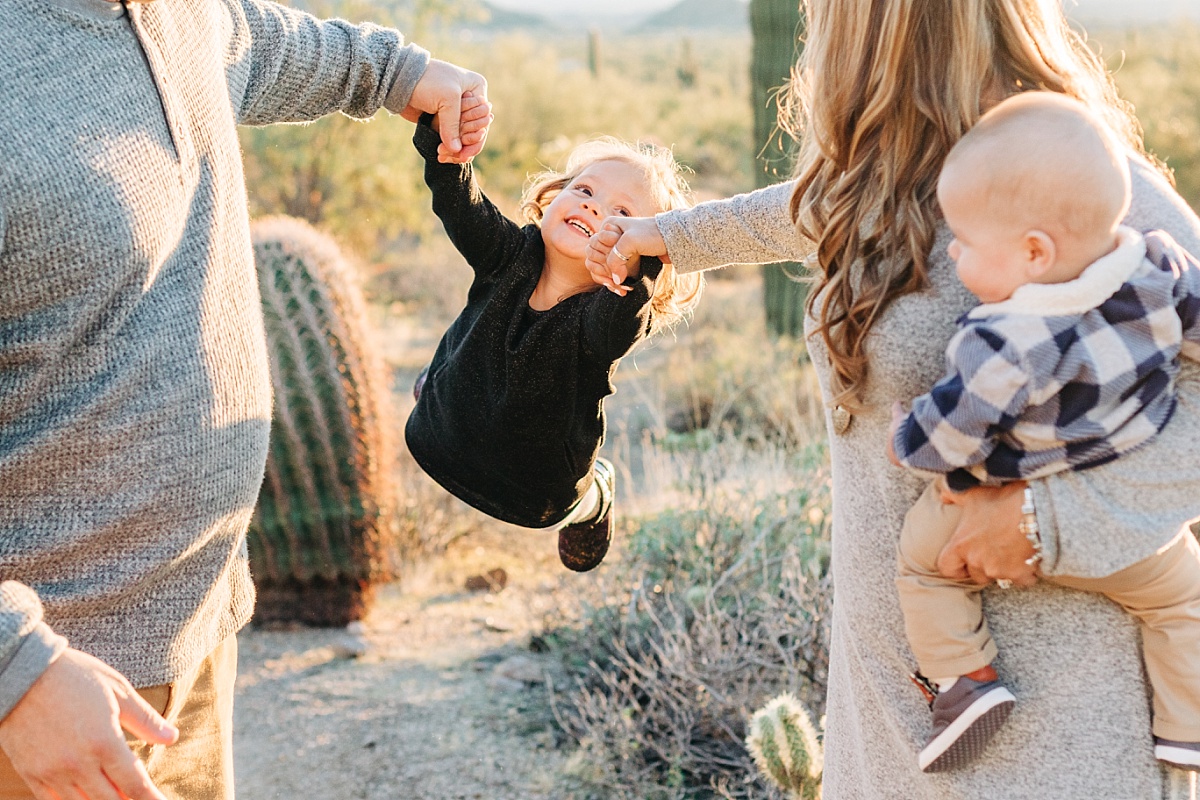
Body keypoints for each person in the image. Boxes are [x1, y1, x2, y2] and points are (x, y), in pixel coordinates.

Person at [584, 0, 1200, 796]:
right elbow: (792, 213)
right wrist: (664, 235)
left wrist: (1048, 523)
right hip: (892, 705)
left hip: (1056, 726)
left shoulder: (1060, 171)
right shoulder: (873, 174)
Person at [0, 0, 491, 796]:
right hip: (44, 702)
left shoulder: (179, 15)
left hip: (194, 639)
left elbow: (256, 40)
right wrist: (15, 670)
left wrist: (400, 75)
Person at [882, 92, 1200, 773]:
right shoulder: (1161, 269)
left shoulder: (1004, 339)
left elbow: (954, 437)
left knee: (921, 567)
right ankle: (1187, 726)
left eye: (964, 242)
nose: (956, 253)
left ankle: (965, 682)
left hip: (999, 513)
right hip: (1126, 528)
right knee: (1185, 600)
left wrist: (904, 436)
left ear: (1033, 251)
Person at [405, 112, 702, 572]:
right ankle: (438, 382)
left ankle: (598, 495)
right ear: (552, 197)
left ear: (643, 248)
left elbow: (621, 322)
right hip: (436, 435)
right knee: (471, 341)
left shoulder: (609, 314)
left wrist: (636, 269)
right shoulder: (507, 253)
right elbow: (459, 204)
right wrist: (441, 139)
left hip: (536, 492)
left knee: (576, 497)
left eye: (623, 214)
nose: (592, 206)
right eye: (583, 190)